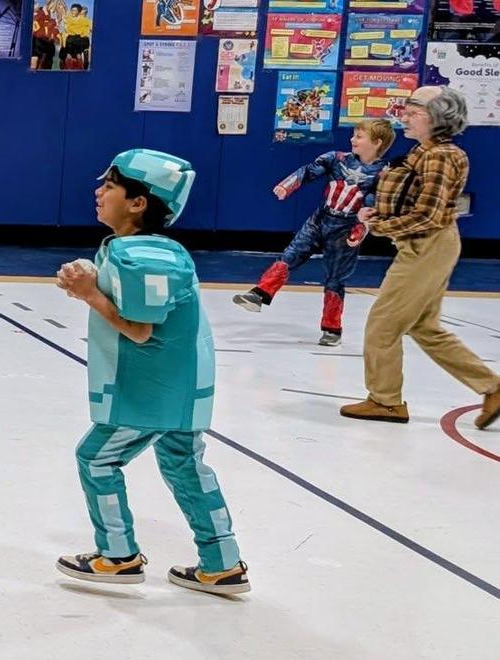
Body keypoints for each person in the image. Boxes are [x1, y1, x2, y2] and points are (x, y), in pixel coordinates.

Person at [52, 148, 249, 595]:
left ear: (139, 202)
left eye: (110, 186)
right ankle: (222, 563)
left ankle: (118, 554)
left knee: (96, 458)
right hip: (182, 384)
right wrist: (89, 278)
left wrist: (88, 293)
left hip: (151, 388)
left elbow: (139, 330)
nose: (98, 191)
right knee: (185, 464)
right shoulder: (151, 249)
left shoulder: (140, 253)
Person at [341, 86, 500, 429]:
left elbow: (429, 214)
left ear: (436, 117)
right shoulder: (423, 152)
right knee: (424, 326)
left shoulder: (441, 155)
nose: (404, 115)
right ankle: (493, 387)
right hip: (426, 244)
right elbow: (411, 201)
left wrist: (381, 225)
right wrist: (379, 212)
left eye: (413, 109)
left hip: (427, 246)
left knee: (383, 325)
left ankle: (385, 402)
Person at [233, 119, 395, 346]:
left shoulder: (384, 174)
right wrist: (288, 185)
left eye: (359, 136)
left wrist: (361, 228)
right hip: (319, 220)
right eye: (353, 135)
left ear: (377, 143)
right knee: (290, 255)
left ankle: (332, 329)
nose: (352, 139)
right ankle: (260, 294)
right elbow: (308, 171)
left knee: (335, 279)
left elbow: (375, 205)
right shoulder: (337, 159)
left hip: (346, 229)